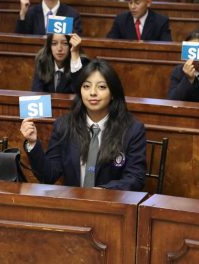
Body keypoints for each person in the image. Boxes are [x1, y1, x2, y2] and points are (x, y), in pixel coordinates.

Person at [20, 59, 147, 191]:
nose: (93, 92)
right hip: (73, 206)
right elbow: (48, 175)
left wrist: (104, 191)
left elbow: (135, 178)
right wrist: (32, 143)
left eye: (101, 87)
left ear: (113, 93)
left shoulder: (132, 129)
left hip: (112, 206)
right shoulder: (64, 125)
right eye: (86, 86)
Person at [107, 0, 172, 42]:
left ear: (148, 3)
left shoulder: (161, 21)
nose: (132, 7)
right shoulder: (120, 20)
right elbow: (110, 42)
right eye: (130, 2)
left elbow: (167, 46)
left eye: (137, 3)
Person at [16, 0, 82, 35]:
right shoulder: (30, 13)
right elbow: (21, 42)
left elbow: (76, 42)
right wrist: (22, 14)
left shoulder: (72, 14)